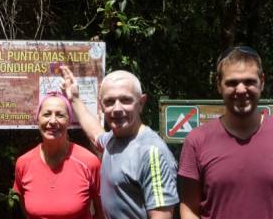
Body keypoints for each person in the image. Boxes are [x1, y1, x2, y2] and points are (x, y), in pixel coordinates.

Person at [60, 66, 179, 219]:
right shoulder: (113, 140)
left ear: (141, 103)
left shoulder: (151, 152)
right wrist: (74, 99)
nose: (117, 108)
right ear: (101, 105)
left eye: (125, 100)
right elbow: (95, 134)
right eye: (109, 101)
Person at [178, 46, 272, 219]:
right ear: (219, 85)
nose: (241, 90)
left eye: (249, 81)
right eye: (232, 83)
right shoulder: (197, 140)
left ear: (262, 82)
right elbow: (189, 208)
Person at [13, 91, 104, 219]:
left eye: (60, 115)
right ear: (38, 118)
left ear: (70, 121)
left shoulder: (89, 162)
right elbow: (26, 210)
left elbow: (102, 213)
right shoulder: (23, 163)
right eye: (46, 114)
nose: (53, 121)